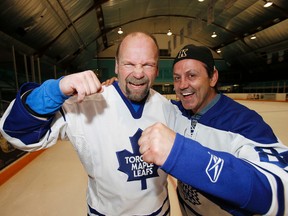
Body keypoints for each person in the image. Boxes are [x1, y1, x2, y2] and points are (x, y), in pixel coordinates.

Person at [0, 32, 176, 215]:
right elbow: (16, 132)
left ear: (157, 69)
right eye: (129, 64)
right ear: (116, 65)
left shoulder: (168, 109)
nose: (138, 73)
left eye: (148, 64)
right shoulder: (83, 104)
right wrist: (57, 89)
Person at [138, 44, 288, 215]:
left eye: (191, 75)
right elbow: (140, 95)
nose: (182, 85)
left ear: (213, 77)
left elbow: (281, 188)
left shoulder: (244, 123)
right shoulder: (175, 111)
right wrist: (112, 87)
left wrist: (182, 155)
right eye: (177, 78)